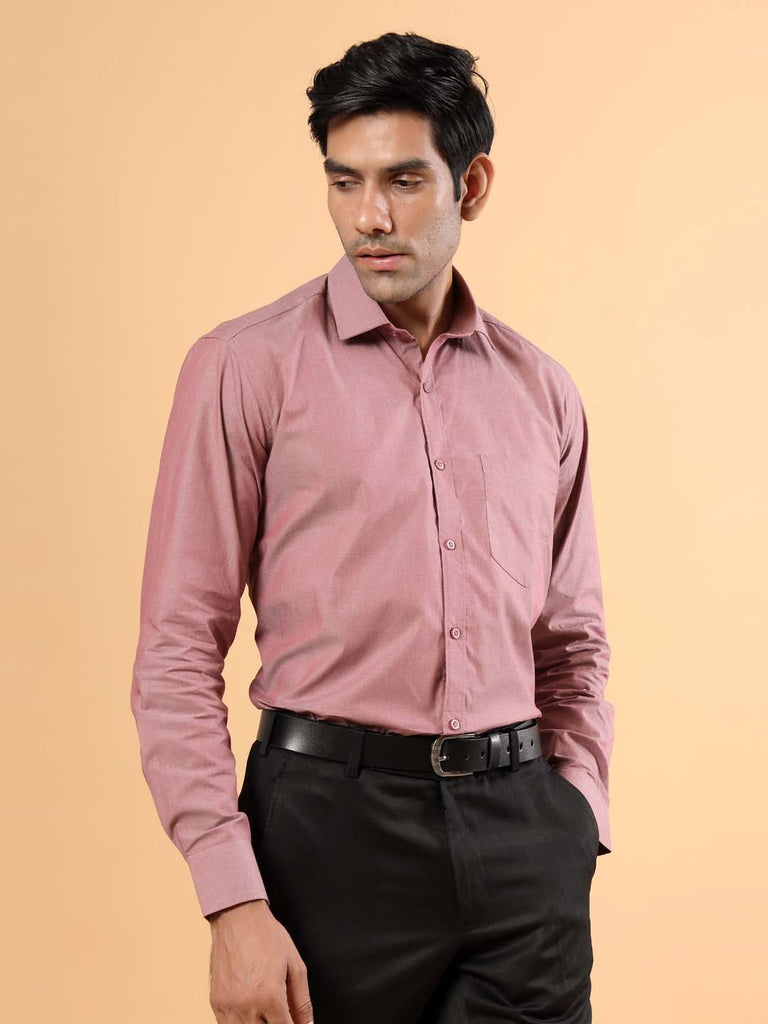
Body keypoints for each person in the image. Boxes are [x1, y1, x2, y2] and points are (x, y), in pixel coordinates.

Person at [130, 29, 615, 1024]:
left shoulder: (543, 392)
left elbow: (572, 642)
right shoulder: (244, 368)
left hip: (525, 840)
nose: (369, 217)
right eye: (344, 182)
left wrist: (576, 817)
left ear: (471, 186)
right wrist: (231, 898)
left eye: (403, 180)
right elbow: (176, 649)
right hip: (327, 841)